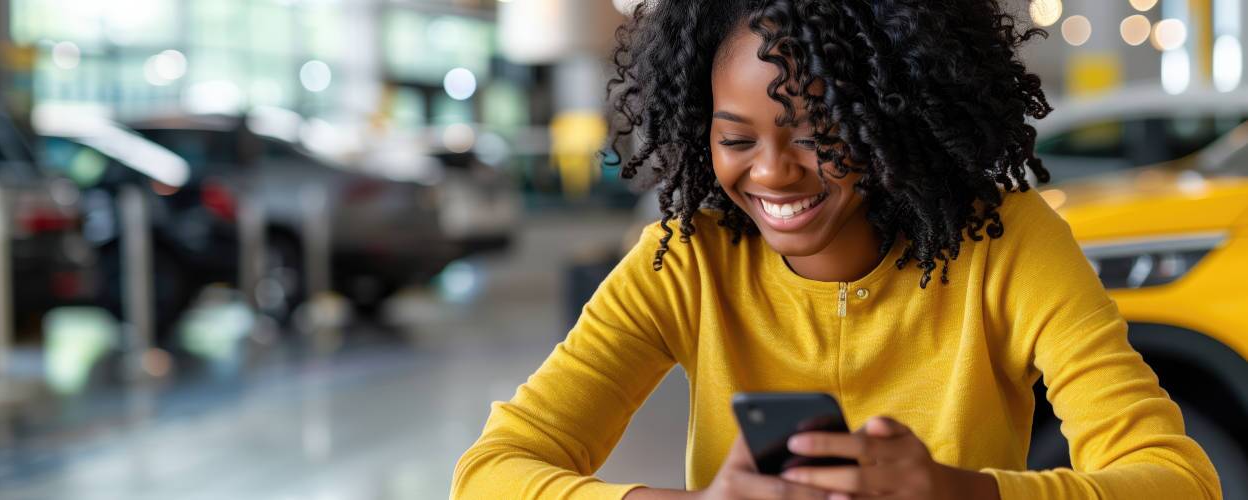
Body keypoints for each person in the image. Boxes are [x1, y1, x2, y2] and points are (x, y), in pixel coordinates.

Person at [452, 0, 1222, 498]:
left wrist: (963, 492)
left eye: (819, 137)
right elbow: (490, 471)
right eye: (736, 140)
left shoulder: (1008, 245)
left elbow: (1179, 480)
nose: (772, 173)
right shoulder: (686, 261)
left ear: (893, 119)